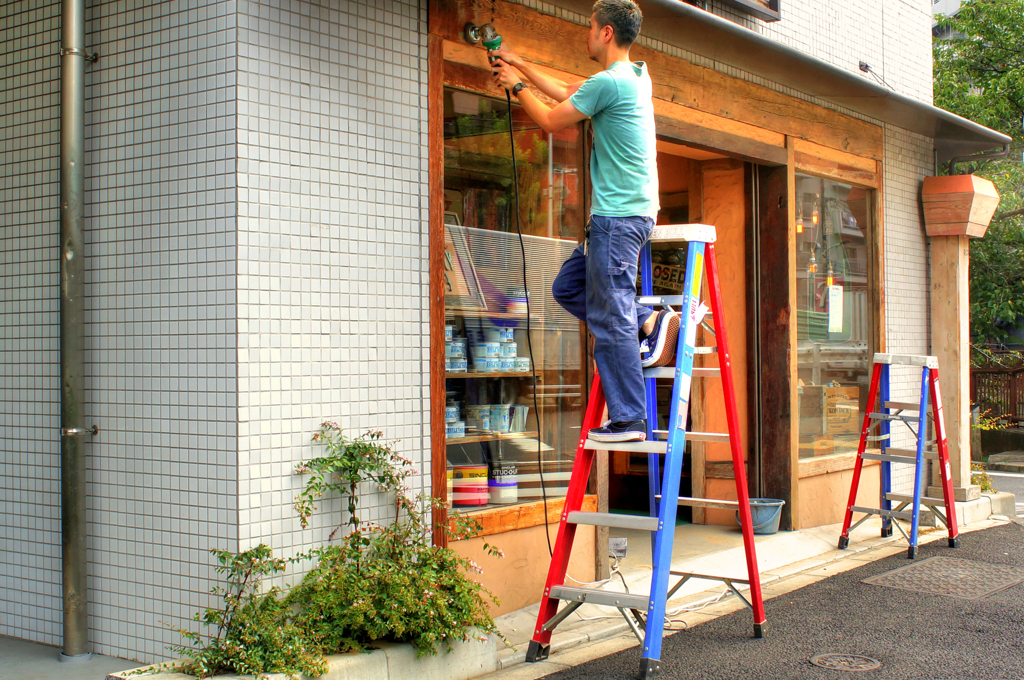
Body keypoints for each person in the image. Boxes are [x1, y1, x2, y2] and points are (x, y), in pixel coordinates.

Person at [490, 0, 677, 443]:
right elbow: (570, 90)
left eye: (590, 28)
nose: (586, 34)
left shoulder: (611, 82)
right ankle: (648, 319)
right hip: (621, 217)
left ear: (606, 33)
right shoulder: (633, 76)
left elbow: (554, 120)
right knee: (568, 288)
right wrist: (519, 63)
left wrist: (516, 87)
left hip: (617, 218)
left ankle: (629, 420)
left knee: (611, 319)